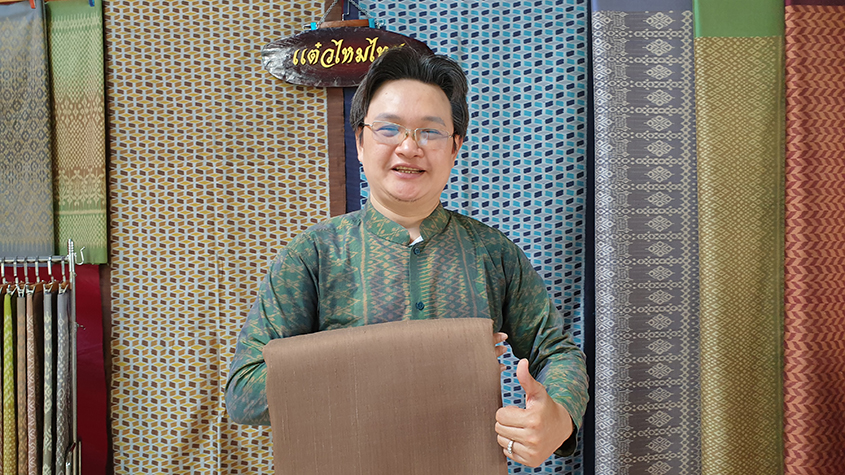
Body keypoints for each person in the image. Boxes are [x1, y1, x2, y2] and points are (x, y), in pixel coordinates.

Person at [225, 46, 588, 467]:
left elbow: (556, 352)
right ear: (359, 142)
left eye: (430, 132)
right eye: (388, 129)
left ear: (454, 147)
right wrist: (422, 357)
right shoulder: (312, 256)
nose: (408, 147)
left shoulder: (494, 253)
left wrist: (557, 417)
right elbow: (244, 394)